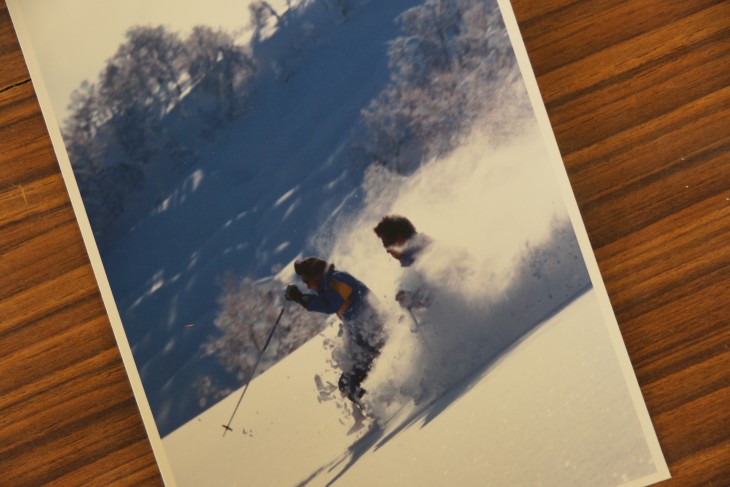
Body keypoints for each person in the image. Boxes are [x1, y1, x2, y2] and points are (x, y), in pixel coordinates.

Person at [285, 257, 385, 420]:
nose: (307, 286)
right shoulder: (328, 286)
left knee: (351, 384)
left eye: (307, 280)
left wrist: (301, 298)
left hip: (375, 333)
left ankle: (383, 410)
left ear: (316, 275)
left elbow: (330, 305)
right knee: (346, 384)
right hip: (364, 338)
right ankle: (379, 407)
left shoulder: (338, 280)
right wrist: (301, 298)